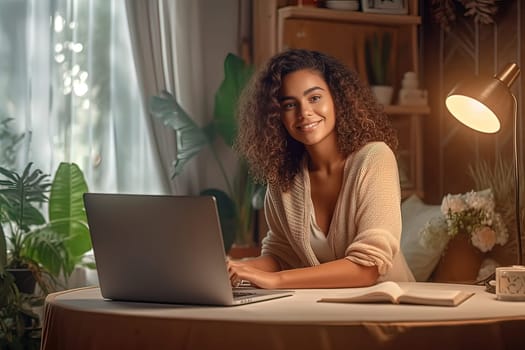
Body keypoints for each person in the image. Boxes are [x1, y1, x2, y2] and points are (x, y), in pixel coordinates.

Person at [228, 48, 415, 289]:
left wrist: (276, 281)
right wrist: (238, 267)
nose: (304, 113)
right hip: (321, 309)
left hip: (389, 308)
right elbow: (280, 256)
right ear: (277, 116)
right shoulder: (283, 176)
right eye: (288, 105)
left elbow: (368, 267)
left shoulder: (374, 158)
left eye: (314, 98)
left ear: (337, 98)